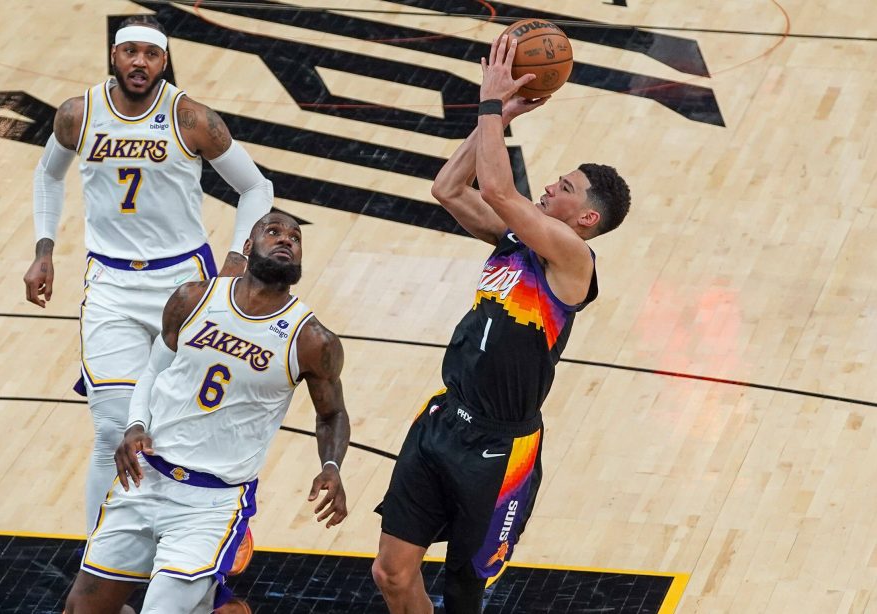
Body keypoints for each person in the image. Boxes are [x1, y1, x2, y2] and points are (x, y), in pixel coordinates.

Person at [372, 34, 631, 613]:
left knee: (464, 595)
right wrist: (503, 116)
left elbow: (496, 187)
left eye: (563, 188)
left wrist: (491, 104)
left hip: (499, 450)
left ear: (586, 217)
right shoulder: (516, 242)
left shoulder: (572, 260)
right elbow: (448, 189)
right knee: (392, 573)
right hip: (442, 421)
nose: (548, 187)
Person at [21, 15, 274, 537]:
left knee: (176, 427)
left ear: (164, 61)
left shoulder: (192, 118)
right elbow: (48, 175)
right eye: (130, 52)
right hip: (110, 285)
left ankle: (190, 532)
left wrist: (235, 260)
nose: (140, 63)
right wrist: (44, 250)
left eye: (151, 55)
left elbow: (257, 188)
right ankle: (99, 567)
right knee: (112, 429)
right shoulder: (78, 114)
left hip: (183, 284)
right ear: (114, 56)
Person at [64, 212, 351, 613]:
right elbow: (153, 369)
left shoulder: (310, 339)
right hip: (146, 478)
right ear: (247, 248)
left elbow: (332, 414)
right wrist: (135, 425)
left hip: (210, 505)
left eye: (295, 237)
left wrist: (332, 465)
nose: (286, 240)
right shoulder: (192, 299)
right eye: (273, 231)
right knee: (81, 608)